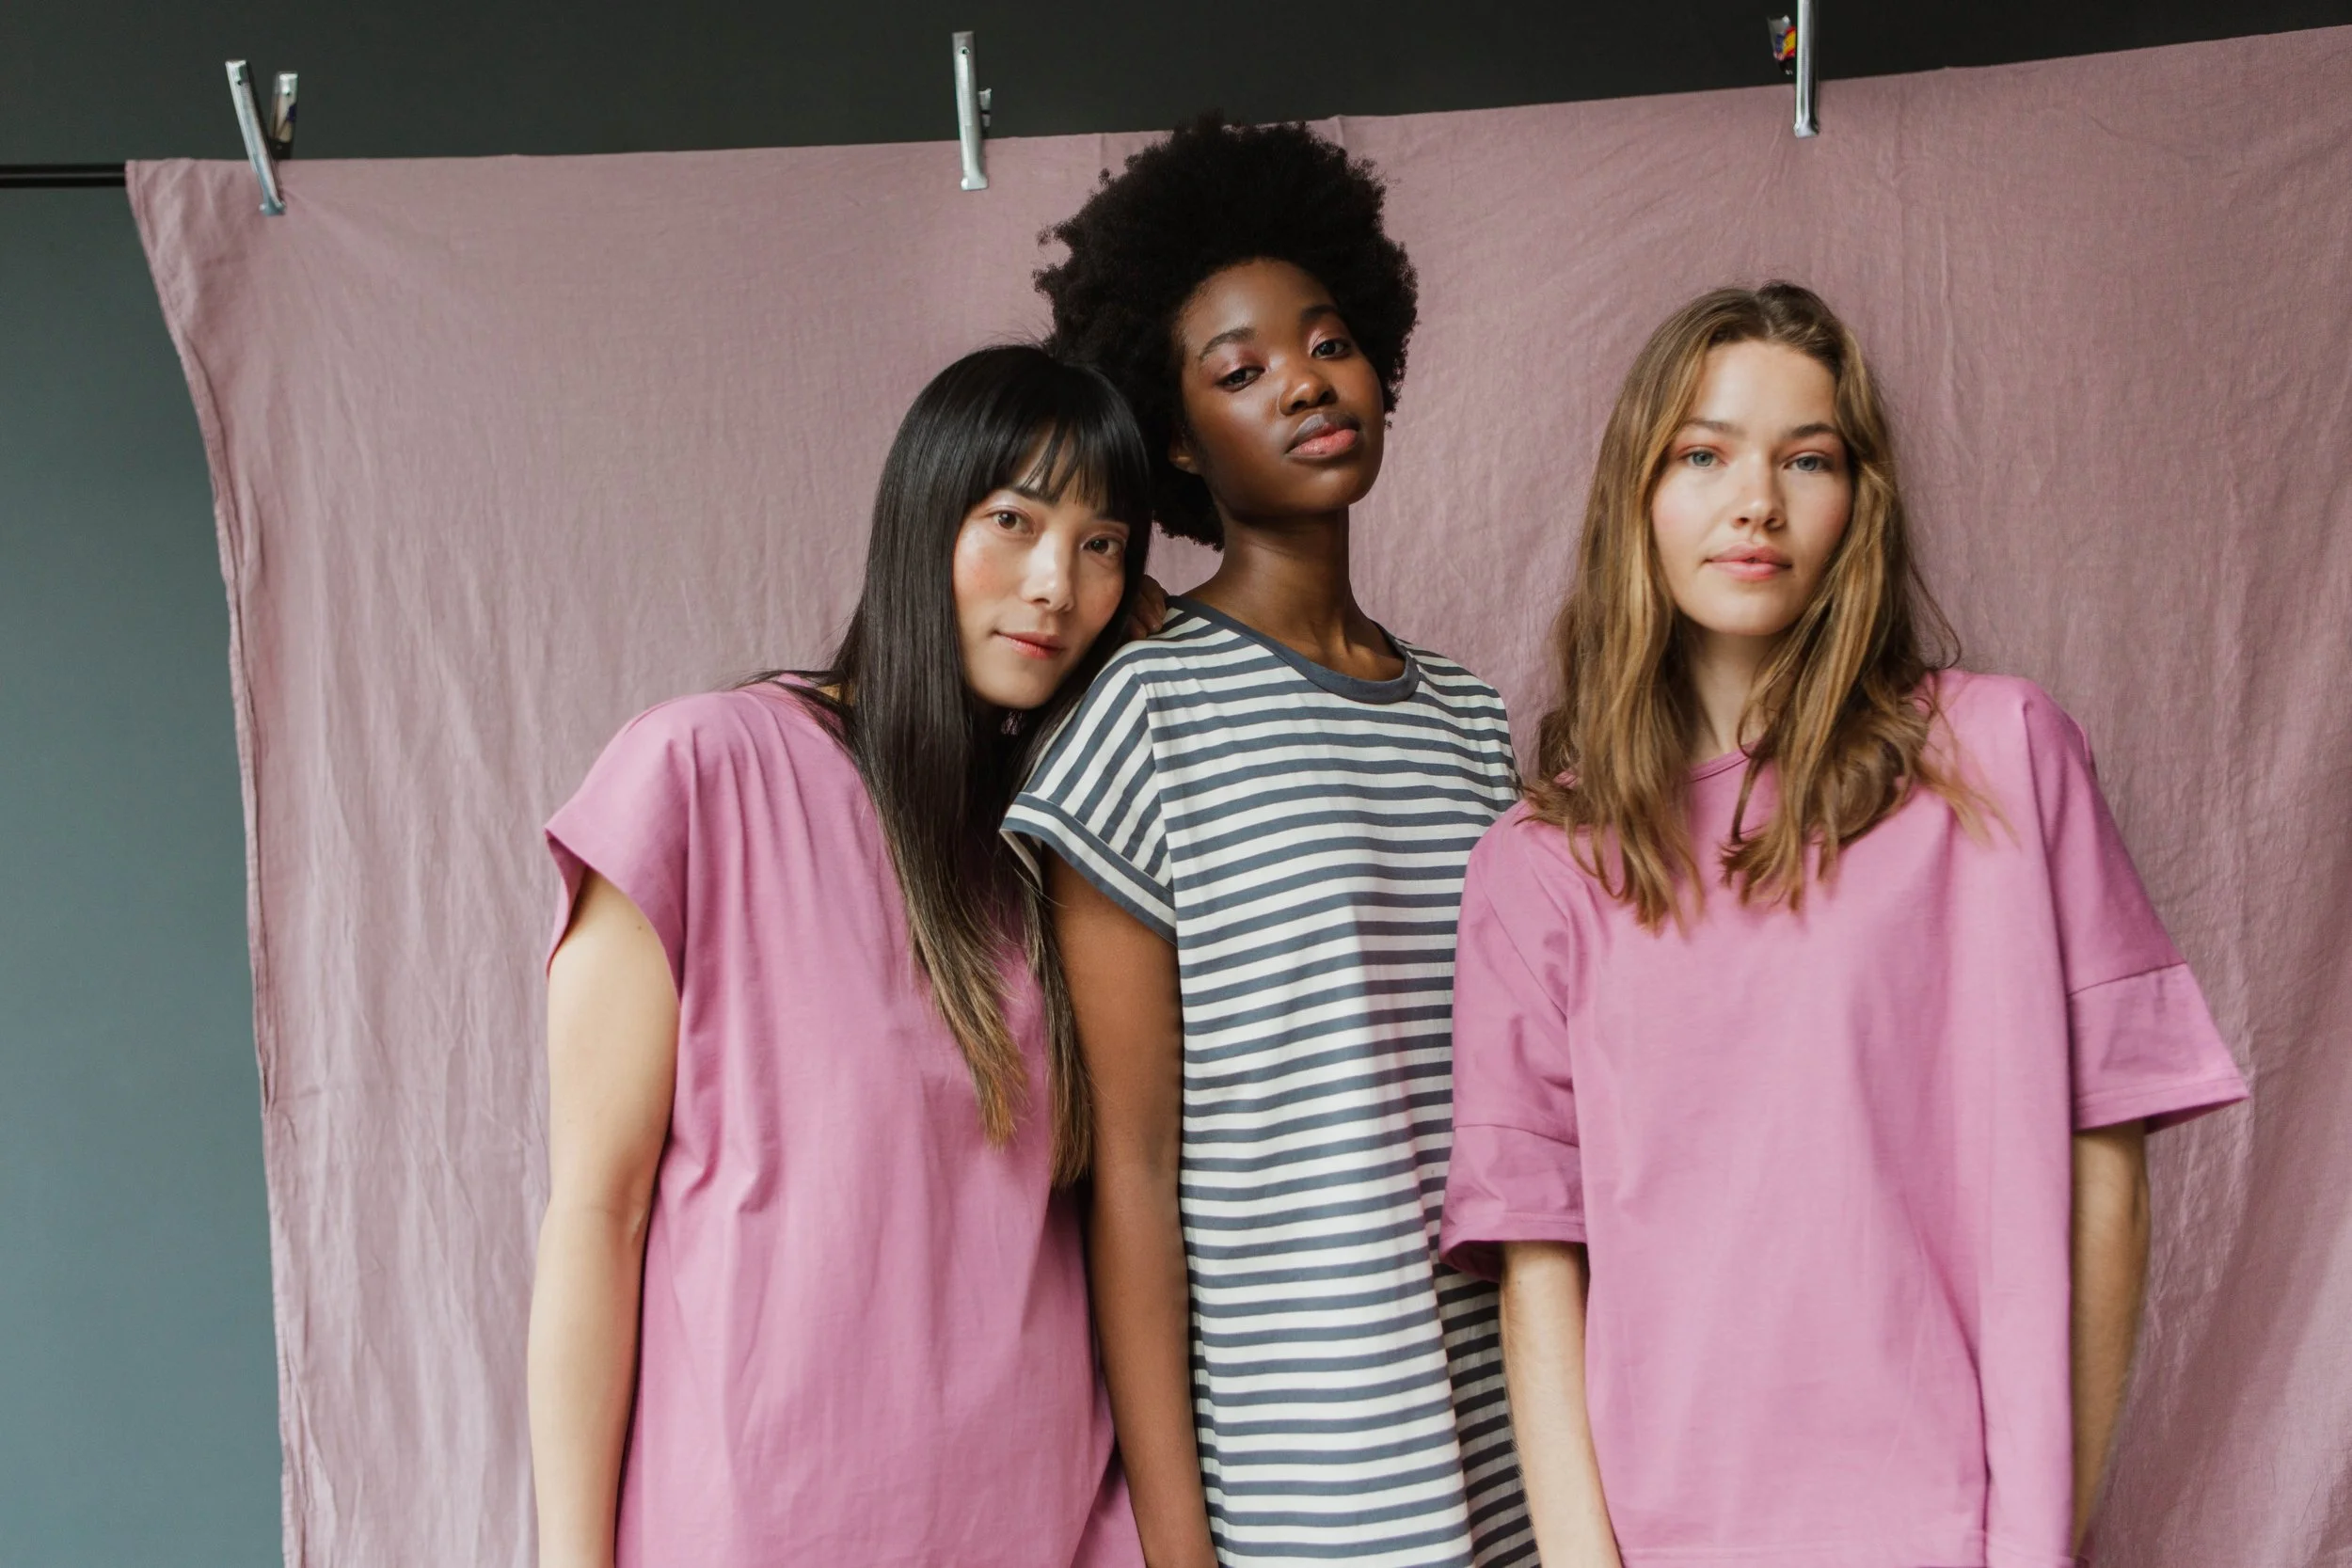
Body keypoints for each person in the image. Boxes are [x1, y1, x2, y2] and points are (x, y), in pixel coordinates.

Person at [1439, 282, 2249, 1568]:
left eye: (1804, 458)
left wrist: (2043, 1523)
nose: (1754, 499)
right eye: (1702, 454)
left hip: (1952, 1530)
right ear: (1636, 498)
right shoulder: (1539, 866)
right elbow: (1542, 1273)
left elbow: (2111, 1174)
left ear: (1856, 502)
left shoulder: (1997, 756)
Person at [526, 344, 1154, 1568]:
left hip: (1044, 1522)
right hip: (760, 1526)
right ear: (919, 518)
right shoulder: (700, 773)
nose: (1052, 586)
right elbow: (597, 1212)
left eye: (1101, 543)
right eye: (1013, 520)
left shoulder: (1067, 854)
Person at [1008, 117, 1532, 1567]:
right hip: (1307, 1481)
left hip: (1512, 1444)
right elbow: (1136, 1177)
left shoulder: (1474, 723)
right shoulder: (1144, 715)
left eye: (1327, 344)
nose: (1303, 381)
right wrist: (1180, 1547)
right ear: (1174, 435)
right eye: (1240, 372)